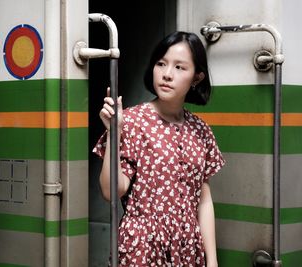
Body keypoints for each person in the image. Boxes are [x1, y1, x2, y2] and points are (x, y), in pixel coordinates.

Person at [93, 31, 225, 267]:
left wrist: (212, 260)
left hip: (188, 246)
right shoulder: (132, 122)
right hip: (142, 247)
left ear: (197, 77)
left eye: (179, 67)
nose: (166, 74)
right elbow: (112, 191)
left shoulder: (201, 130)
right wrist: (115, 133)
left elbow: (203, 199)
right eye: (161, 64)